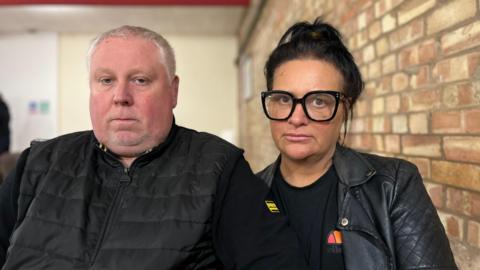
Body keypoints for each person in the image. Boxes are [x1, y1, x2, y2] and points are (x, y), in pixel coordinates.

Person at [0, 25, 308, 270]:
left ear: (173, 91)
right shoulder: (38, 163)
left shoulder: (218, 168)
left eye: (140, 80)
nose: (120, 96)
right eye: (106, 80)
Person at [257, 18, 457, 270]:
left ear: (344, 108)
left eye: (319, 101)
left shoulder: (392, 187)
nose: (297, 118)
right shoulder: (245, 194)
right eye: (284, 99)